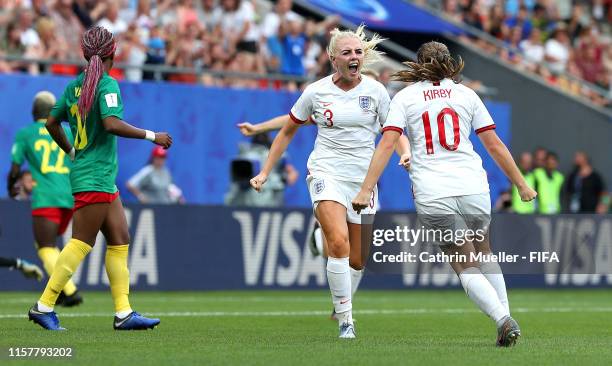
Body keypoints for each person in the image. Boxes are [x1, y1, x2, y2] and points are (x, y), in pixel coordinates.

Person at [352, 41, 536, 347]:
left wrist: (366, 188)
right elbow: (493, 144)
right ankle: (506, 317)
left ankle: (503, 319)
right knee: (485, 251)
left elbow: (386, 144)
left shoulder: (406, 97)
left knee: (464, 262)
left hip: (434, 189)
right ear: (450, 63)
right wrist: (521, 184)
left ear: (417, 63)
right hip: (473, 185)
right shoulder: (467, 94)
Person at [250, 25, 411, 339]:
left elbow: (392, 131)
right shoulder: (316, 91)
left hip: (364, 180)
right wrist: (266, 171)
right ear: (333, 58)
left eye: (358, 52)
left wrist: (404, 154)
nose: (354, 57)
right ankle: (346, 321)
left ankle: (322, 242)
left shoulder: (376, 90)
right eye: (347, 52)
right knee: (340, 243)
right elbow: (287, 131)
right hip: (326, 172)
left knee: (358, 258)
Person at [28, 26, 172, 331]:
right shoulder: (107, 85)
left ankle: (123, 313)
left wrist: (70, 148)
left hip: (99, 175)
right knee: (81, 242)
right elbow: (110, 123)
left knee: (120, 239)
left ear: (84, 53)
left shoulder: (74, 87)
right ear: (113, 54)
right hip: (94, 175)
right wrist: (152, 136)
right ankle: (44, 306)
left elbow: (53, 122)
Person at [8, 91, 83, 307]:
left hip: (46, 196)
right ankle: (60, 291)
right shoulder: (68, 132)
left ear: (33, 111)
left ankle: (69, 291)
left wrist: (10, 187)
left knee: (45, 247)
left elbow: (15, 168)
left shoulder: (27, 133)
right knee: (49, 245)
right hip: (70, 196)